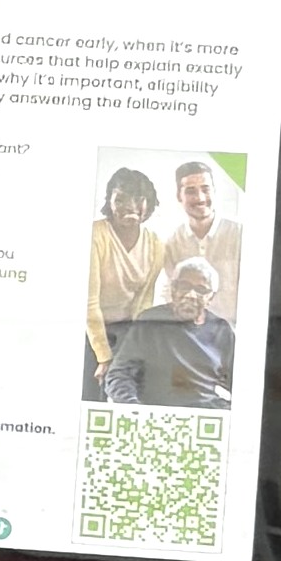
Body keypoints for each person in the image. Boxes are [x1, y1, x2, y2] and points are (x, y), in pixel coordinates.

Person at [106, 261, 233, 410]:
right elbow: (119, 374)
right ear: (173, 289)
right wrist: (134, 409)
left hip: (205, 411)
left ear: (210, 297)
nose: (191, 295)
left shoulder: (221, 329)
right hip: (156, 412)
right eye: (184, 286)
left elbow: (241, 384)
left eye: (201, 290)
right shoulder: (150, 321)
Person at [83, 166, 165, 393]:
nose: (129, 207)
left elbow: (143, 303)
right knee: (92, 390)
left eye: (138, 199)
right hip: (89, 330)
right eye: (120, 199)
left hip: (126, 331)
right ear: (109, 202)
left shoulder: (156, 244)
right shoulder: (95, 236)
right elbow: (89, 304)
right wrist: (104, 357)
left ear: (149, 204)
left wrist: (132, 348)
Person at [166, 156, 243, 324]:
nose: (200, 198)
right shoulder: (172, 242)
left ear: (214, 191)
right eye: (190, 191)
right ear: (179, 196)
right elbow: (169, 294)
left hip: (233, 332)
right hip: (191, 333)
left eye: (206, 189)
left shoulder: (240, 235)